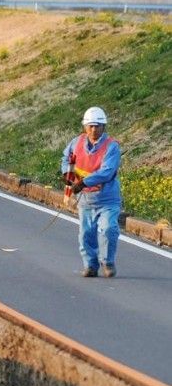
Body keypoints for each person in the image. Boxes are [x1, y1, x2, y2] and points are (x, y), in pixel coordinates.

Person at [61, 107, 121, 278]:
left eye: (98, 126)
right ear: (85, 127)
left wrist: (83, 182)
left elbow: (107, 172)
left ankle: (107, 262)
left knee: (108, 229)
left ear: (104, 126)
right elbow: (66, 158)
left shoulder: (111, 147)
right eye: (91, 126)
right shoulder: (76, 142)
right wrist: (67, 173)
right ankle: (90, 265)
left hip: (107, 198)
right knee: (86, 234)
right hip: (86, 199)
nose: (94, 129)